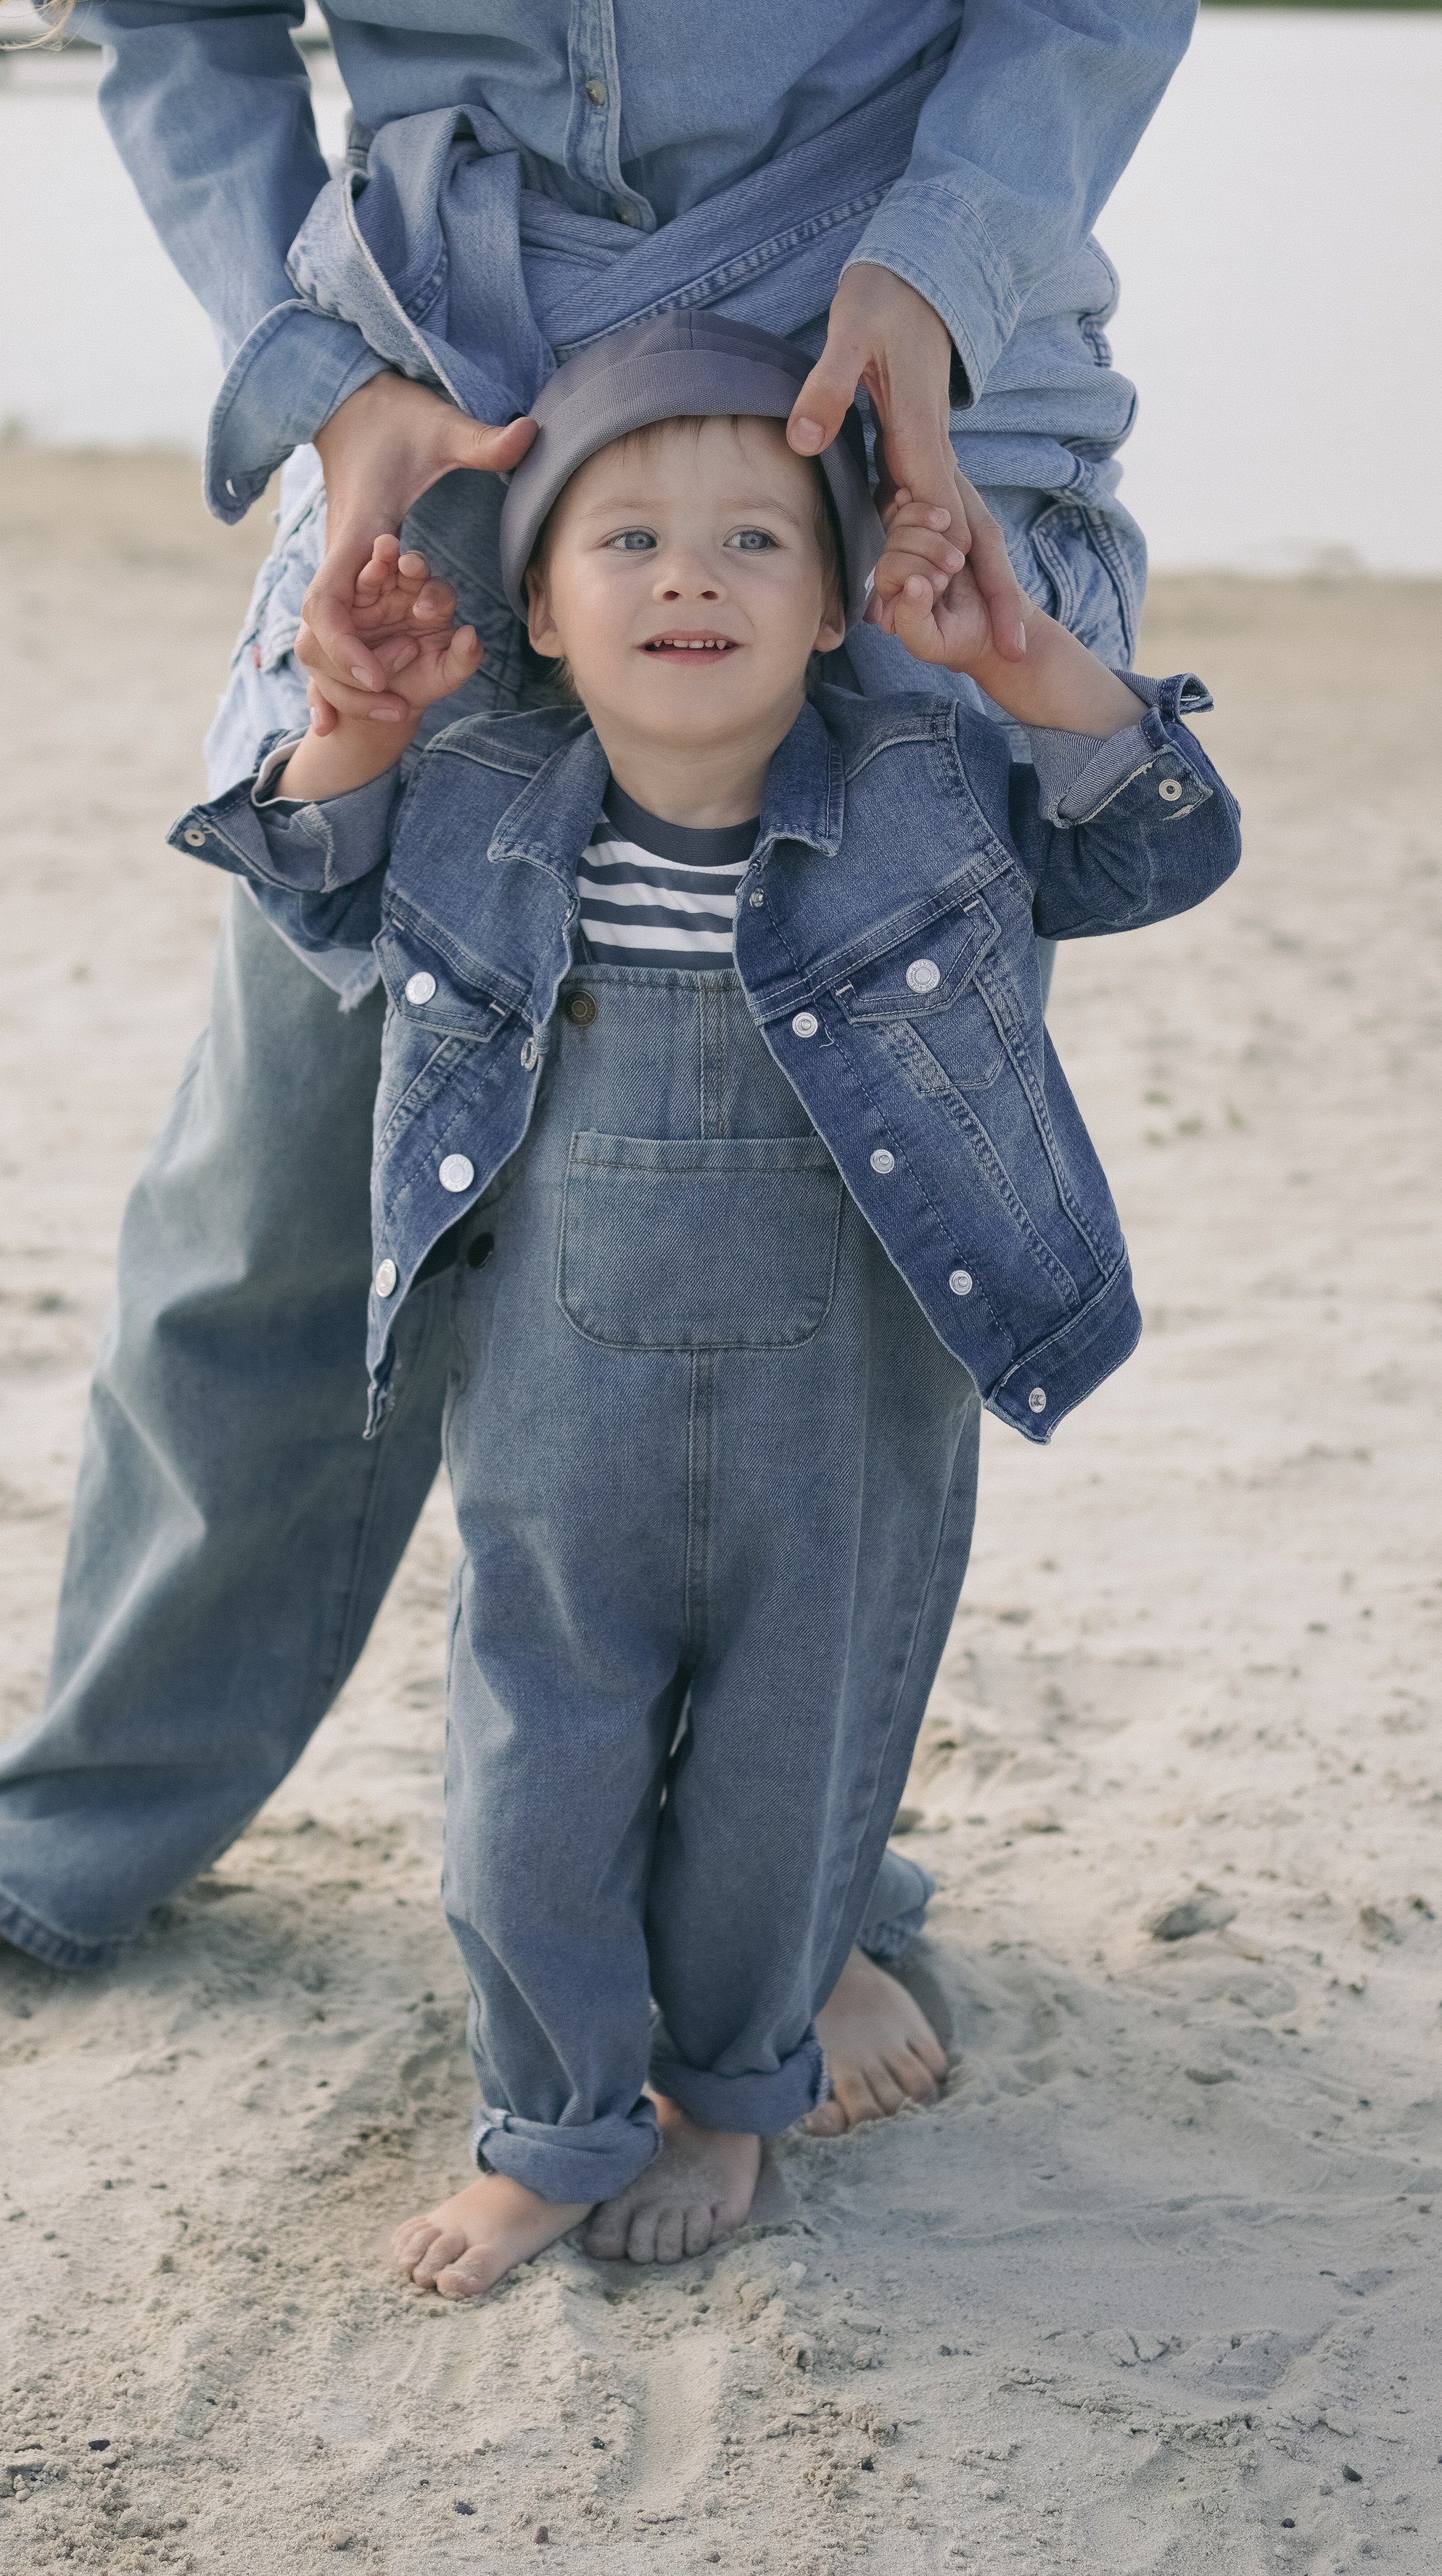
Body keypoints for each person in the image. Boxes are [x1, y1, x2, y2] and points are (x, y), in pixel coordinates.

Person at [0, 0, 1244, 2139]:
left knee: (829, 1246)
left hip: (903, 418)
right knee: (273, 1190)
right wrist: (320, 380)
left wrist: (950, 253)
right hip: (442, 421)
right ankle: (76, 1811)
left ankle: (804, 1901)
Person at [164, 314, 1240, 2290]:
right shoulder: (485, 798)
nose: (688, 573)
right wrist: (361, 725)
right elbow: (303, 876)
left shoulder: (922, 788)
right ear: (548, 617)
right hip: (557, 1412)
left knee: (778, 1781)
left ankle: (732, 2108)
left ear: (839, 610)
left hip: (838, 1424)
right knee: (531, 1775)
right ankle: (551, 2125)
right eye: (625, 540)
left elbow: (1156, 838)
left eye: (755, 544)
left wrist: (1028, 662)